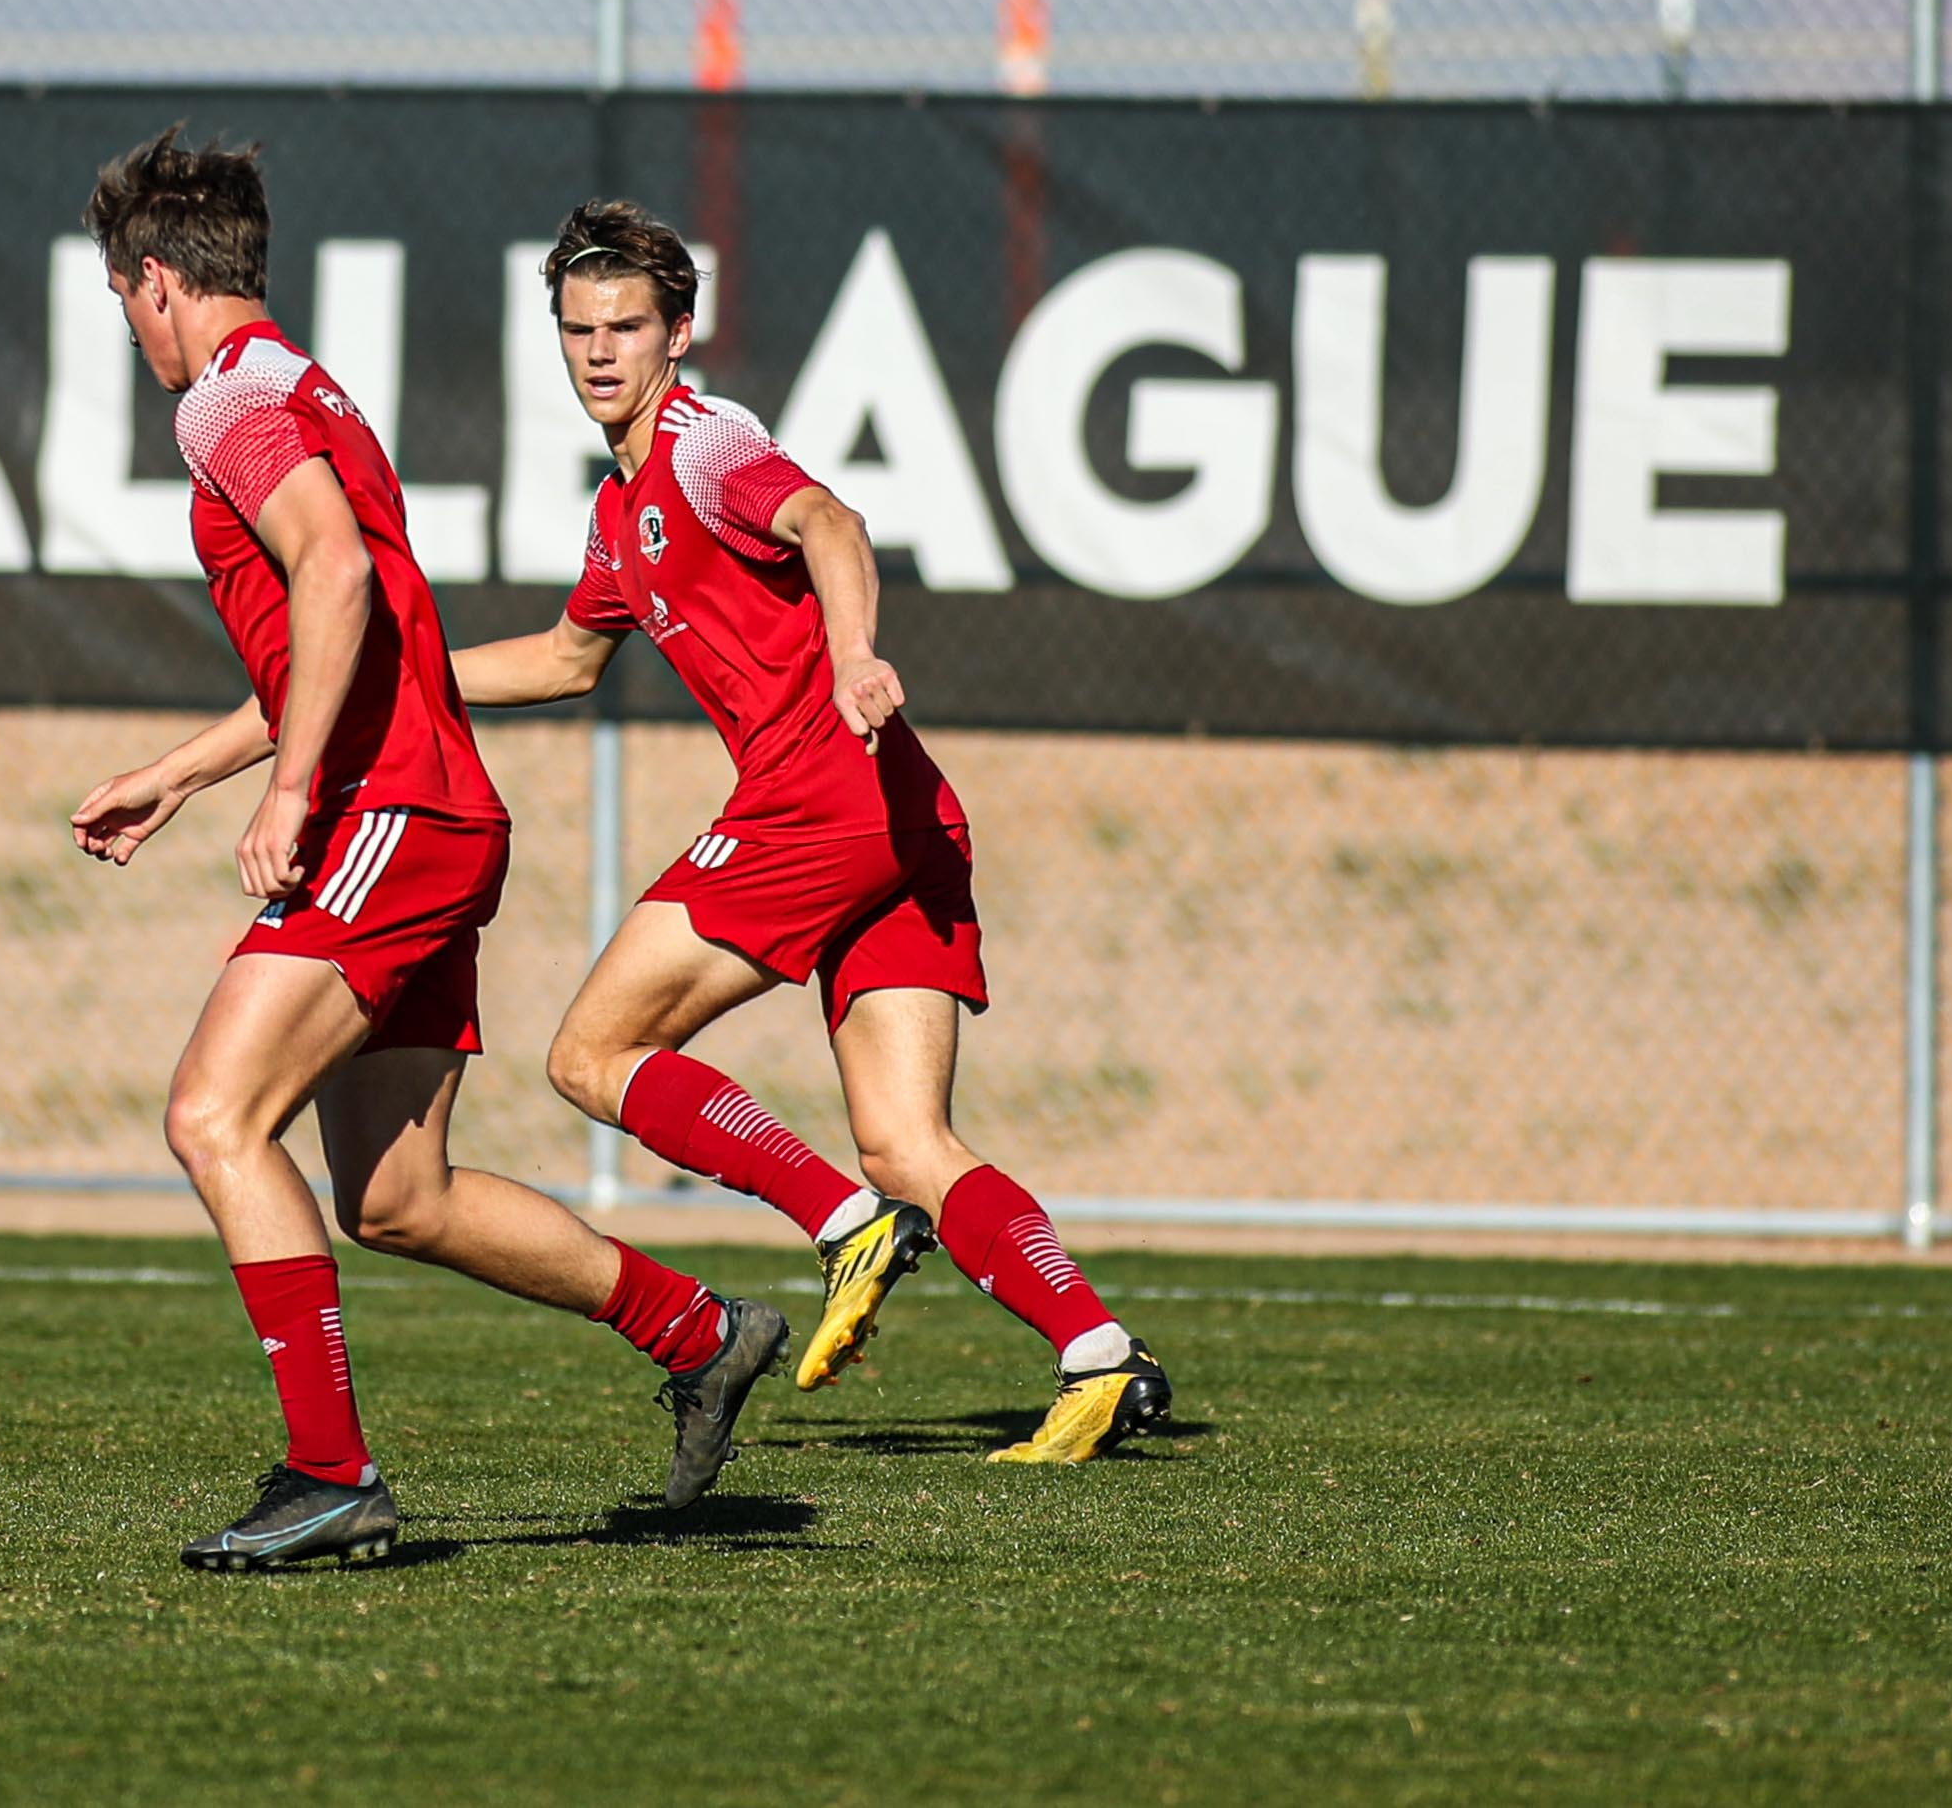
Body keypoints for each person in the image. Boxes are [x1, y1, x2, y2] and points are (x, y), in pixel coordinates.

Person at [67, 133, 789, 1571]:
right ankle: (699, 1333)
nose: (128, 323)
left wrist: (288, 803)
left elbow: (332, 575)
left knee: (215, 1116)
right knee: (400, 1196)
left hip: (384, 819)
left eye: (119, 295)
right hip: (429, 810)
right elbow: (355, 629)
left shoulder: (224, 402)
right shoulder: (298, 382)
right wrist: (197, 771)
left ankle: (330, 1474)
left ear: (155, 283)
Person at [453, 200, 1168, 1463]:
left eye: (626, 326)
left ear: (680, 332)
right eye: (578, 330)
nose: (599, 351)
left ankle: (838, 1223)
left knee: (588, 1052)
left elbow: (829, 523)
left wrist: (849, 656)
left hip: (818, 796)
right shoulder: (617, 514)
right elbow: (568, 659)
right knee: (906, 1138)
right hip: (898, 812)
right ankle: (1098, 1354)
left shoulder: (705, 442)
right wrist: (408, 675)